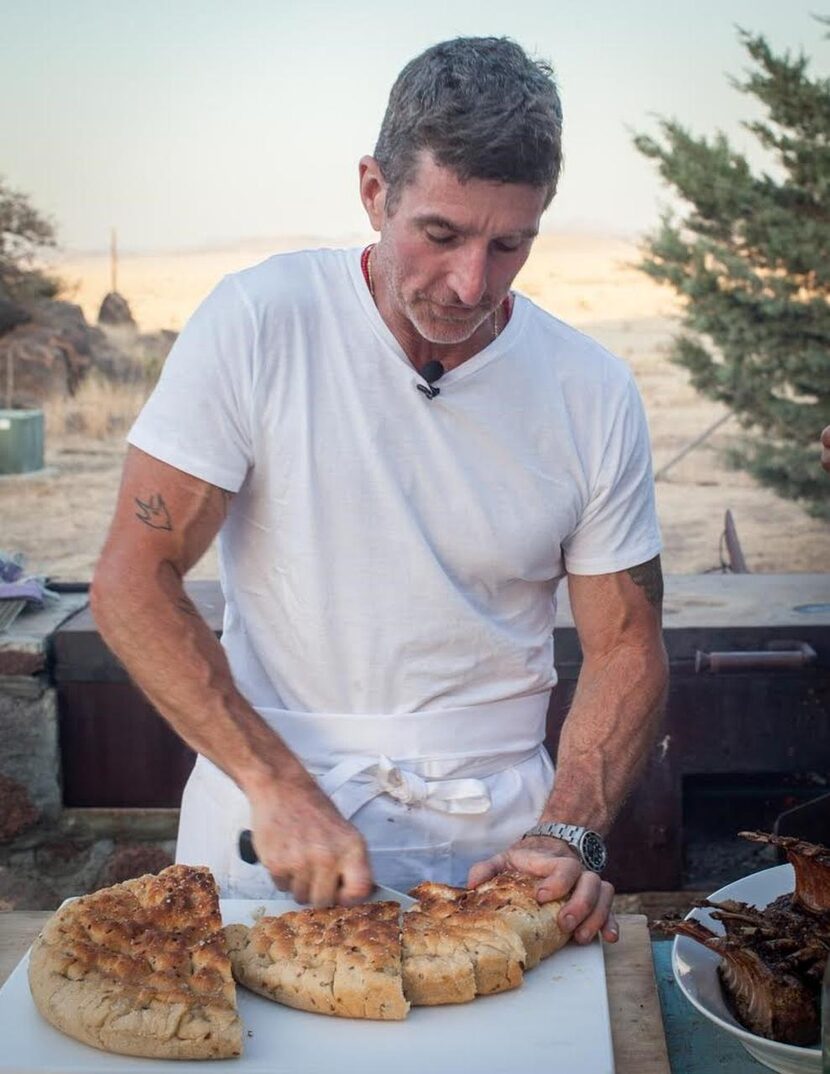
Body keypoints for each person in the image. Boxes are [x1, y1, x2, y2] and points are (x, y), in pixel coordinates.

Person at [92, 36, 668, 948]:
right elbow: (133, 577)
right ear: (374, 191)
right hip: (265, 821)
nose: (470, 283)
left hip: (500, 843)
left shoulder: (590, 389)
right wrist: (275, 783)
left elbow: (628, 643)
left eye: (509, 244)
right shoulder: (259, 320)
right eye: (440, 235)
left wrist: (569, 826)